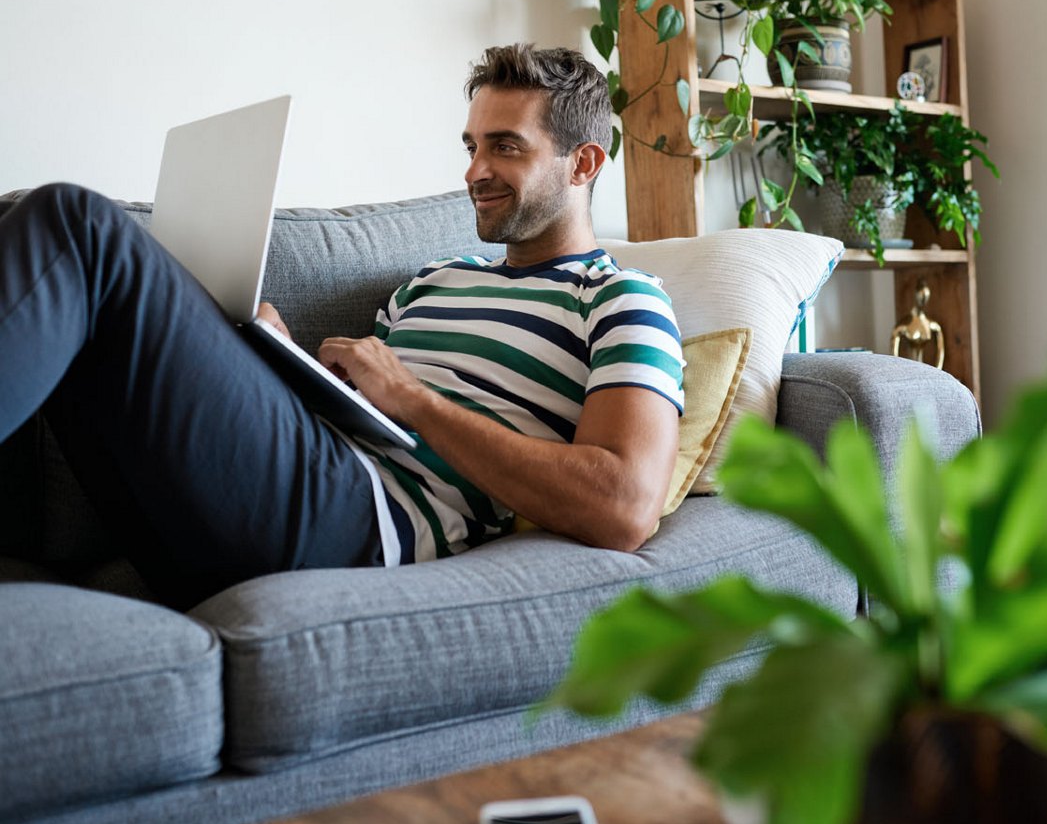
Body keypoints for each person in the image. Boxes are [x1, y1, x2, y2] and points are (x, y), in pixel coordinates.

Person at [0, 44, 684, 610]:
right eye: (471, 145)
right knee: (85, 319)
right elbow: (352, 413)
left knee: (77, 225)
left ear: (584, 163)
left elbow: (623, 506)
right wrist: (272, 358)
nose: (475, 171)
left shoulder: (621, 298)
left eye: (505, 147)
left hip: (362, 525)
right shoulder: (435, 278)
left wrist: (412, 398)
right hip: (271, 495)